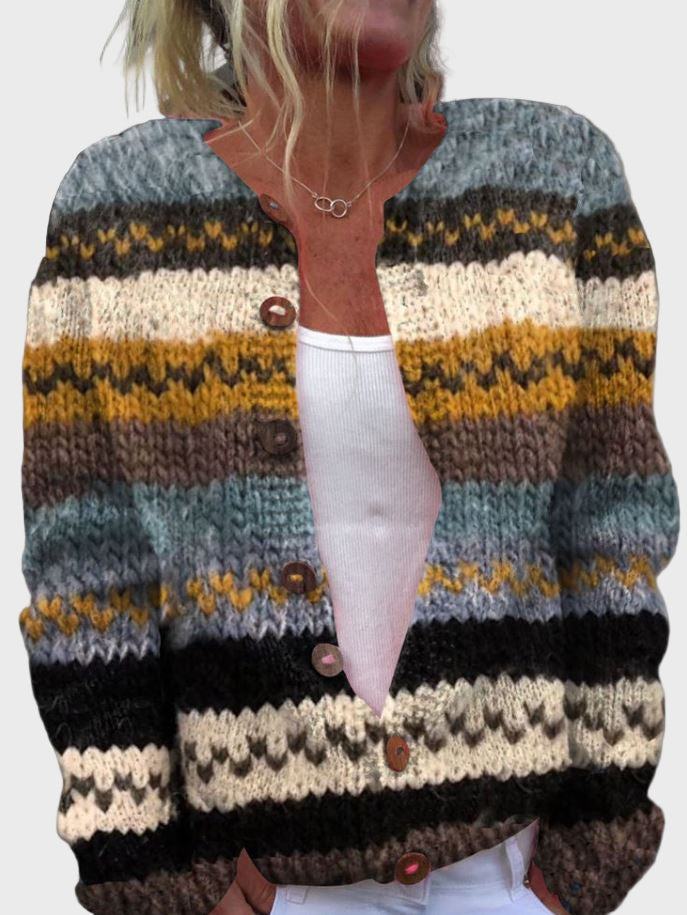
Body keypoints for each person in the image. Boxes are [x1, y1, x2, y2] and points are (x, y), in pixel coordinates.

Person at [17, 2, 676, 914]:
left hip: (511, 875)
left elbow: (610, 532)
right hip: (259, 889)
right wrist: (156, 880)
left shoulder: (551, 177)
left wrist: (588, 855)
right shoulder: (122, 207)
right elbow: (89, 583)